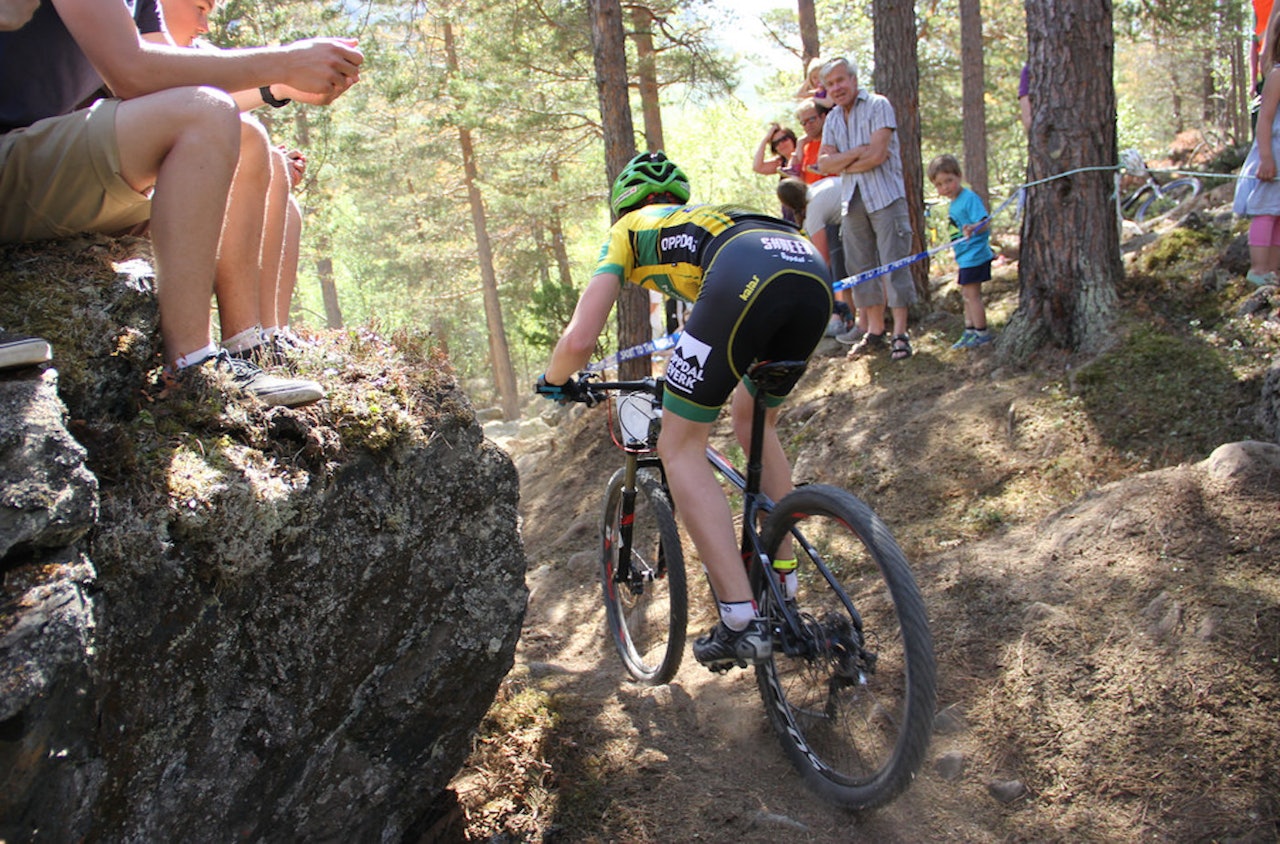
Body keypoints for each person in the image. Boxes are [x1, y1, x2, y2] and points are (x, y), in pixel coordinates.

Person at [535, 152, 832, 671]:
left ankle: (741, 620)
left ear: (623, 204)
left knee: (679, 446)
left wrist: (555, 380)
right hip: (809, 271)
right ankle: (784, 574)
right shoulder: (695, 221)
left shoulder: (629, 230)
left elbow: (581, 337)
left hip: (745, 270)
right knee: (752, 416)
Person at [0, 0, 361, 404]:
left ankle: (246, 348)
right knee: (205, 114)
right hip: (13, 160)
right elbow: (132, 72)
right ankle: (192, 367)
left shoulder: (142, 5)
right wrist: (284, 63)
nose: (206, 22)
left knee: (247, 139)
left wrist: (278, 85)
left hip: (36, 163)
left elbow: (170, 77)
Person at [147, 0, 309, 361]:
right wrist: (279, 83)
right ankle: (244, 341)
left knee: (285, 194)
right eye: (200, 8)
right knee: (255, 144)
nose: (204, 24)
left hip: (186, 163)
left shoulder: (199, 53)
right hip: (161, 173)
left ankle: (270, 333)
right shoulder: (147, 46)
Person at [814, 56, 918, 362]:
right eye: (830, 84)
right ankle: (874, 332)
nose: (837, 88)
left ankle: (900, 333)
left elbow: (877, 155)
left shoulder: (878, 105)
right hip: (852, 201)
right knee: (861, 268)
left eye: (840, 80)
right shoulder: (832, 119)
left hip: (885, 197)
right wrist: (857, 153)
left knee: (893, 264)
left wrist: (844, 161)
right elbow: (823, 164)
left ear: (853, 80)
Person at [928, 154, 995, 349]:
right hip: (964, 257)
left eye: (949, 181)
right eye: (940, 184)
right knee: (966, 294)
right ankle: (970, 330)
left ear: (959, 176)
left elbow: (984, 222)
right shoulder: (954, 203)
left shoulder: (969, 198)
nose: (945, 187)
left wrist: (973, 227)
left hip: (975, 256)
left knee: (972, 295)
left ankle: (982, 334)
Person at [1236, 29, 1280, 288]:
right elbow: (1264, 119)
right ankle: (1258, 269)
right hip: (1274, 153)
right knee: (1264, 209)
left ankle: (1272, 271)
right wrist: (1265, 157)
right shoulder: (1277, 75)